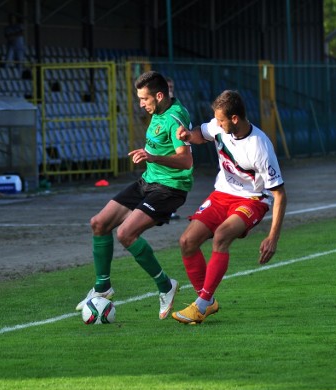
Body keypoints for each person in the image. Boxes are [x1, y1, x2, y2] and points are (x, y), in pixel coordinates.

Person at [74, 70, 193, 319]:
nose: (141, 104)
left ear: (159, 96)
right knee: (99, 223)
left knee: (126, 233)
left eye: (144, 99)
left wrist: (152, 156)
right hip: (148, 181)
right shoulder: (160, 110)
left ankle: (165, 286)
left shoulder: (175, 118)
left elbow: (185, 160)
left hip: (170, 188)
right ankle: (102, 287)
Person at [171, 90, 287, 325]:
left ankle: (201, 306)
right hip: (222, 194)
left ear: (235, 119)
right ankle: (206, 300)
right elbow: (200, 135)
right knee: (187, 242)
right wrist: (186, 135)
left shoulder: (260, 147)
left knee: (221, 236)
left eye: (221, 120)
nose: (217, 123)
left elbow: (280, 194)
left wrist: (272, 237)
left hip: (252, 200)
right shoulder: (218, 126)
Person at [166, 77, 181, 220]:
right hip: (166, 147)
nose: (170, 88)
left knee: (174, 178)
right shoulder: (163, 105)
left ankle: (170, 210)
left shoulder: (175, 103)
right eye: (167, 86)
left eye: (171, 86)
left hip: (175, 146)